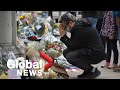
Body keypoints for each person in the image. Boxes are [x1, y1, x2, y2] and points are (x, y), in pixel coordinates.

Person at [58, 13, 106, 79]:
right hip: (90, 50)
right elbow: (74, 45)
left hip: (96, 54)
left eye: (65, 26)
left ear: (70, 22)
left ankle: (92, 70)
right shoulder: (78, 26)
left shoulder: (80, 28)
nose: (65, 29)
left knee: (70, 56)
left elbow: (73, 46)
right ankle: (87, 71)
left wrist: (63, 36)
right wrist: (64, 36)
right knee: (66, 52)